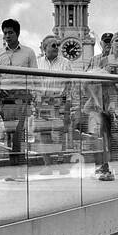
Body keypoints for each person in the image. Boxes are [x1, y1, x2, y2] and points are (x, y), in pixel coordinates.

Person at [0, 19, 38, 167]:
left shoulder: (29, 52)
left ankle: (20, 161)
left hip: (23, 96)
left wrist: (36, 95)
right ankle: (13, 162)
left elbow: (34, 76)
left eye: (10, 32)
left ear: (17, 34)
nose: (7, 36)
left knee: (20, 130)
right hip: (6, 96)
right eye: (5, 33)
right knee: (9, 130)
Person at [85, 32, 118, 182]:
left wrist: (116, 81)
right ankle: (106, 167)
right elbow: (96, 82)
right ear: (111, 44)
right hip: (104, 103)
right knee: (105, 135)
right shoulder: (103, 60)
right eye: (116, 41)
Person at [36, 36, 76, 165]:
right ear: (45, 47)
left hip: (59, 101)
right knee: (44, 134)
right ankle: (47, 164)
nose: (57, 48)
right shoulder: (37, 63)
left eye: (58, 45)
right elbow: (33, 83)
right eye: (53, 45)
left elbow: (70, 86)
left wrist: (68, 105)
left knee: (59, 133)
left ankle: (60, 162)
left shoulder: (66, 63)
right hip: (43, 101)